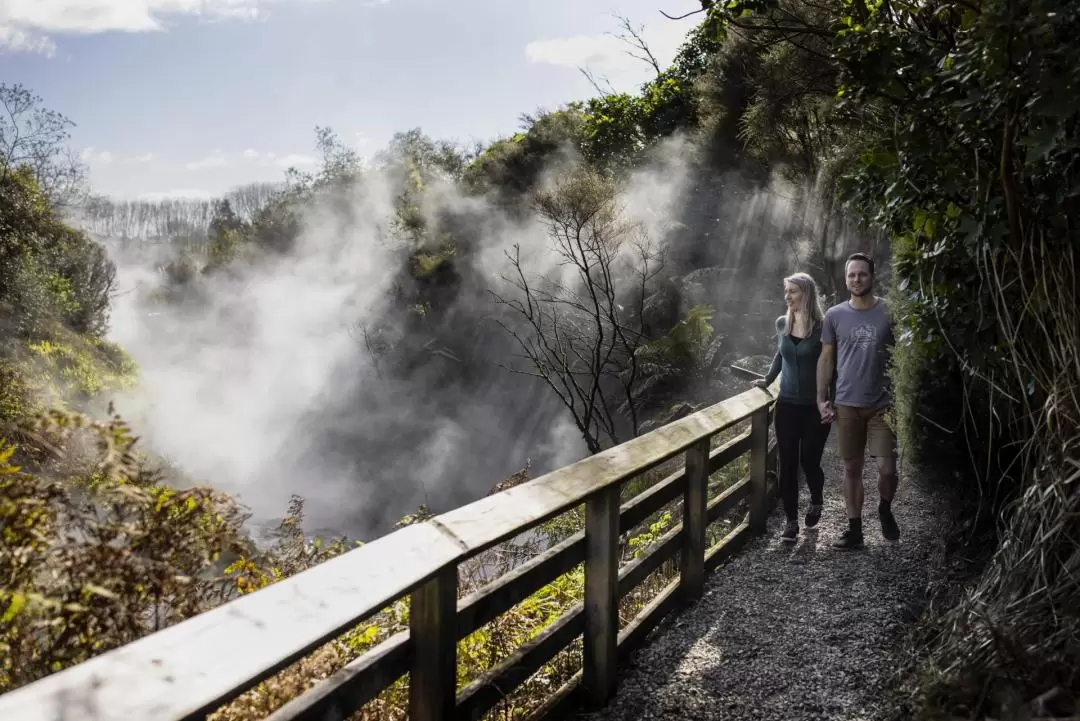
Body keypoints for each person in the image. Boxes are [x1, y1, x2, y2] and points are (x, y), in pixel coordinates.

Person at [815, 252, 900, 550]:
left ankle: (885, 508)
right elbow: (826, 358)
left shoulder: (889, 312)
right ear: (846, 278)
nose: (856, 279)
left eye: (862, 274)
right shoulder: (835, 315)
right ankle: (855, 531)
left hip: (882, 403)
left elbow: (902, 355)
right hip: (847, 404)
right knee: (852, 468)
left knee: (888, 469)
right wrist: (821, 398)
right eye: (851, 274)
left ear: (872, 277)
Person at [753, 272, 831, 544]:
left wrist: (830, 399)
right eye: (786, 291)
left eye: (793, 291)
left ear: (807, 294)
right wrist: (767, 379)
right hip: (786, 405)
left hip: (814, 408)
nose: (787, 296)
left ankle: (817, 500)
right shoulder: (782, 323)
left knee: (809, 461)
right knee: (787, 464)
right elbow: (780, 354)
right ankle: (791, 523)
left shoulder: (823, 328)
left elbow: (831, 364)